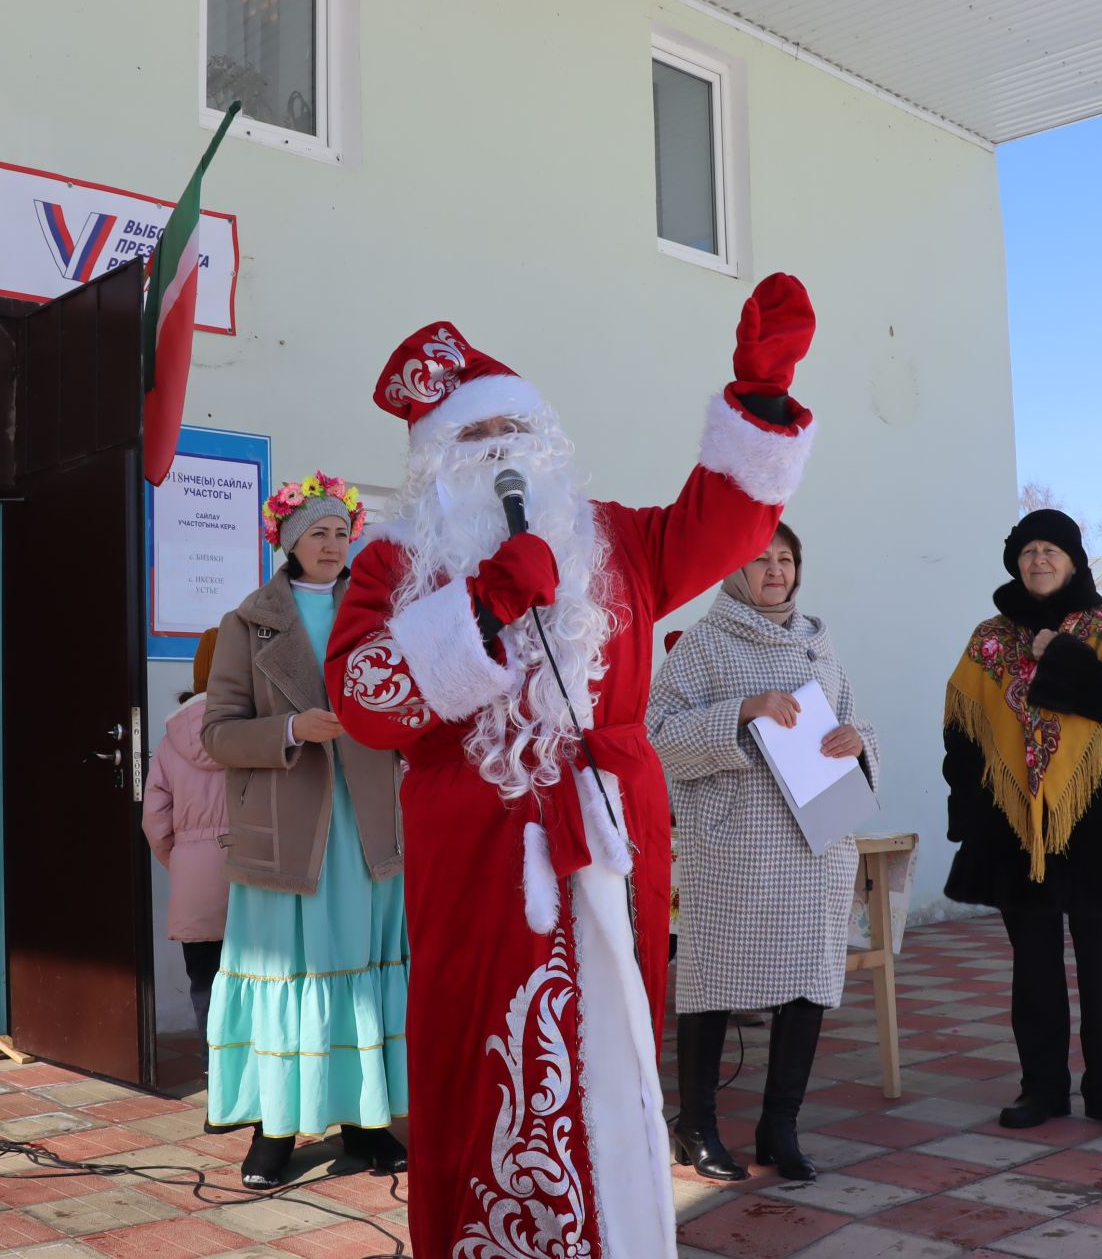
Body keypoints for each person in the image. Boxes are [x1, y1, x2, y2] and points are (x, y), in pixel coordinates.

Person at [326, 275, 818, 1257]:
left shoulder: (616, 538)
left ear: (547, 441)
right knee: (479, 1047)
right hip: (477, 852)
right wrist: (480, 608)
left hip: (607, 838)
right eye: (474, 436)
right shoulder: (394, 563)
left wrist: (761, 395)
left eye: (515, 428)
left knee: (611, 1051)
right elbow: (363, 701)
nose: (499, 449)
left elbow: (725, 522)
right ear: (433, 465)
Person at [647, 522, 880, 1183]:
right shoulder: (705, 644)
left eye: (786, 559)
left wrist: (856, 742)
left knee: (809, 980)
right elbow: (656, 732)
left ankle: (780, 1128)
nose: (775, 570)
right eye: (760, 558)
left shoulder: (819, 644)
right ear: (733, 568)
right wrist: (742, 710)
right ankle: (696, 1129)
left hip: (817, 843)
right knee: (711, 980)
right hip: (737, 845)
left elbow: (851, 718)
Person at [201, 475, 410, 1188]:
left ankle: (367, 1121)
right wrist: (292, 727)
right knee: (288, 976)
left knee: (361, 977)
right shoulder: (246, 622)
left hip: (370, 826)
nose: (332, 544)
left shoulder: (384, 615)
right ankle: (275, 1130)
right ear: (289, 543)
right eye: (317, 533)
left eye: (341, 532)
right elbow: (219, 734)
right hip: (288, 834)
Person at [941, 508, 1102, 1138]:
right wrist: (965, 814)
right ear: (1015, 562)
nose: (1038, 560)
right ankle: (1041, 1088)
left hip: (1101, 827)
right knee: (1033, 968)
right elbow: (962, 732)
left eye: (1051, 550)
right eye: (1027, 551)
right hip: (1016, 832)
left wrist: (1064, 657)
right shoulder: (990, 638)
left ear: (1073, 560)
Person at [142, 629, 230, 1067]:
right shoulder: (258, 729)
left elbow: (154, 820)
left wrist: (182, 862)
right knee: (264, 981)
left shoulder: (170, 739)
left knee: (206, 981)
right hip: (258, 874)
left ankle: (218, 1079)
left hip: (196, 877)